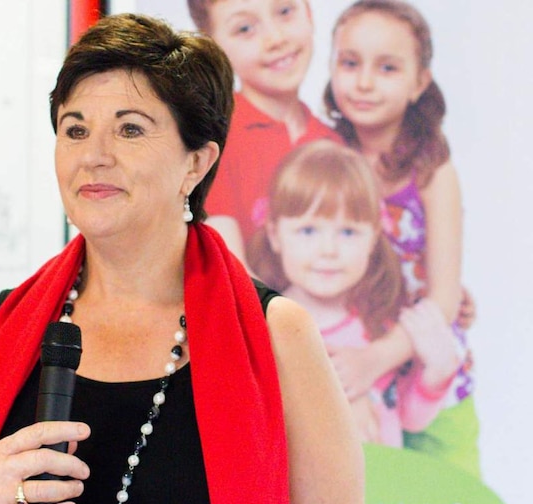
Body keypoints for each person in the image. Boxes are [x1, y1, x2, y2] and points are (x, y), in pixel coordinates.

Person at [0, 14, 371, 504]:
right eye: (75, 129)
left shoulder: (279, 335)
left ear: (196, 163)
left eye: (129, 129)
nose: (93, 155)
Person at [323, 0, 479, 476]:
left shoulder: (433, 171)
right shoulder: (324, 156)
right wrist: (360, 366)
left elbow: (446, 297)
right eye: (350, 64)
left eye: (387, 67)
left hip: (425, 370)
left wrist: (378, 358)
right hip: (351, 376)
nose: (364, 82)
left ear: (419, 82)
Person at [247, 140, 462, 447]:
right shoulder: (268, 324)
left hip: (381, 487)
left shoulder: (379, 323)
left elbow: (409, 418)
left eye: (348, 232)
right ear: (274, 234)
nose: (329, 251)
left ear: (374, 237)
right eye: (308, 231)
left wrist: (436, 374)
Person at [187, 0, 340, 262]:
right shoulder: (214, 141)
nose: (275, 39)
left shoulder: (335, 143)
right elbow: (232, 271)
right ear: (212, 46)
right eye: (245, 28)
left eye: (284, 12)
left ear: (309, 13)